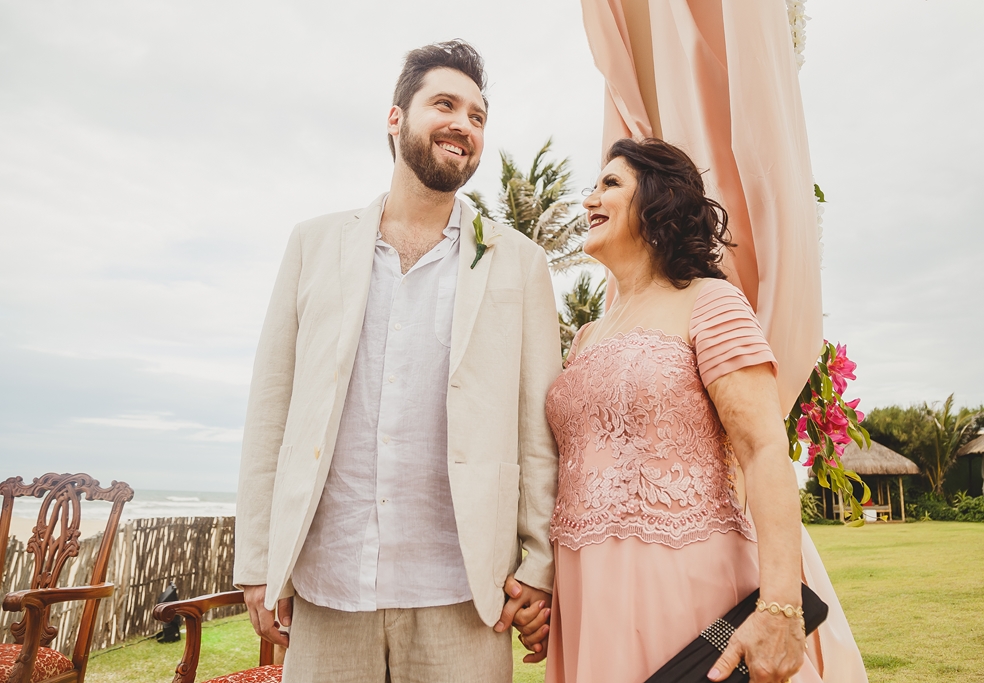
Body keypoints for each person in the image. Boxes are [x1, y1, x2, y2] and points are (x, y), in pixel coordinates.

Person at [232, 40, 562, 682]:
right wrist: (257, 566)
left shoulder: (520, 263)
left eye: (477, 116)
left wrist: (539, 566)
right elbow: (271, 412)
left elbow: (537, 430)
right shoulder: (312, 244)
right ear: (395, 118)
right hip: (329, 587)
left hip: (466, 593)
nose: (463, 125)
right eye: (445, 104)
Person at [531, 137, 867, 683]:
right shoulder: (586, 336)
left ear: (657, 203)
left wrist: (781, 605)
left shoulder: (710, 302)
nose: (590, 198)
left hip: (686, 587)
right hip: (589, 592)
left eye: (610, 184)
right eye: (594, 185)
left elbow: (763, 450)